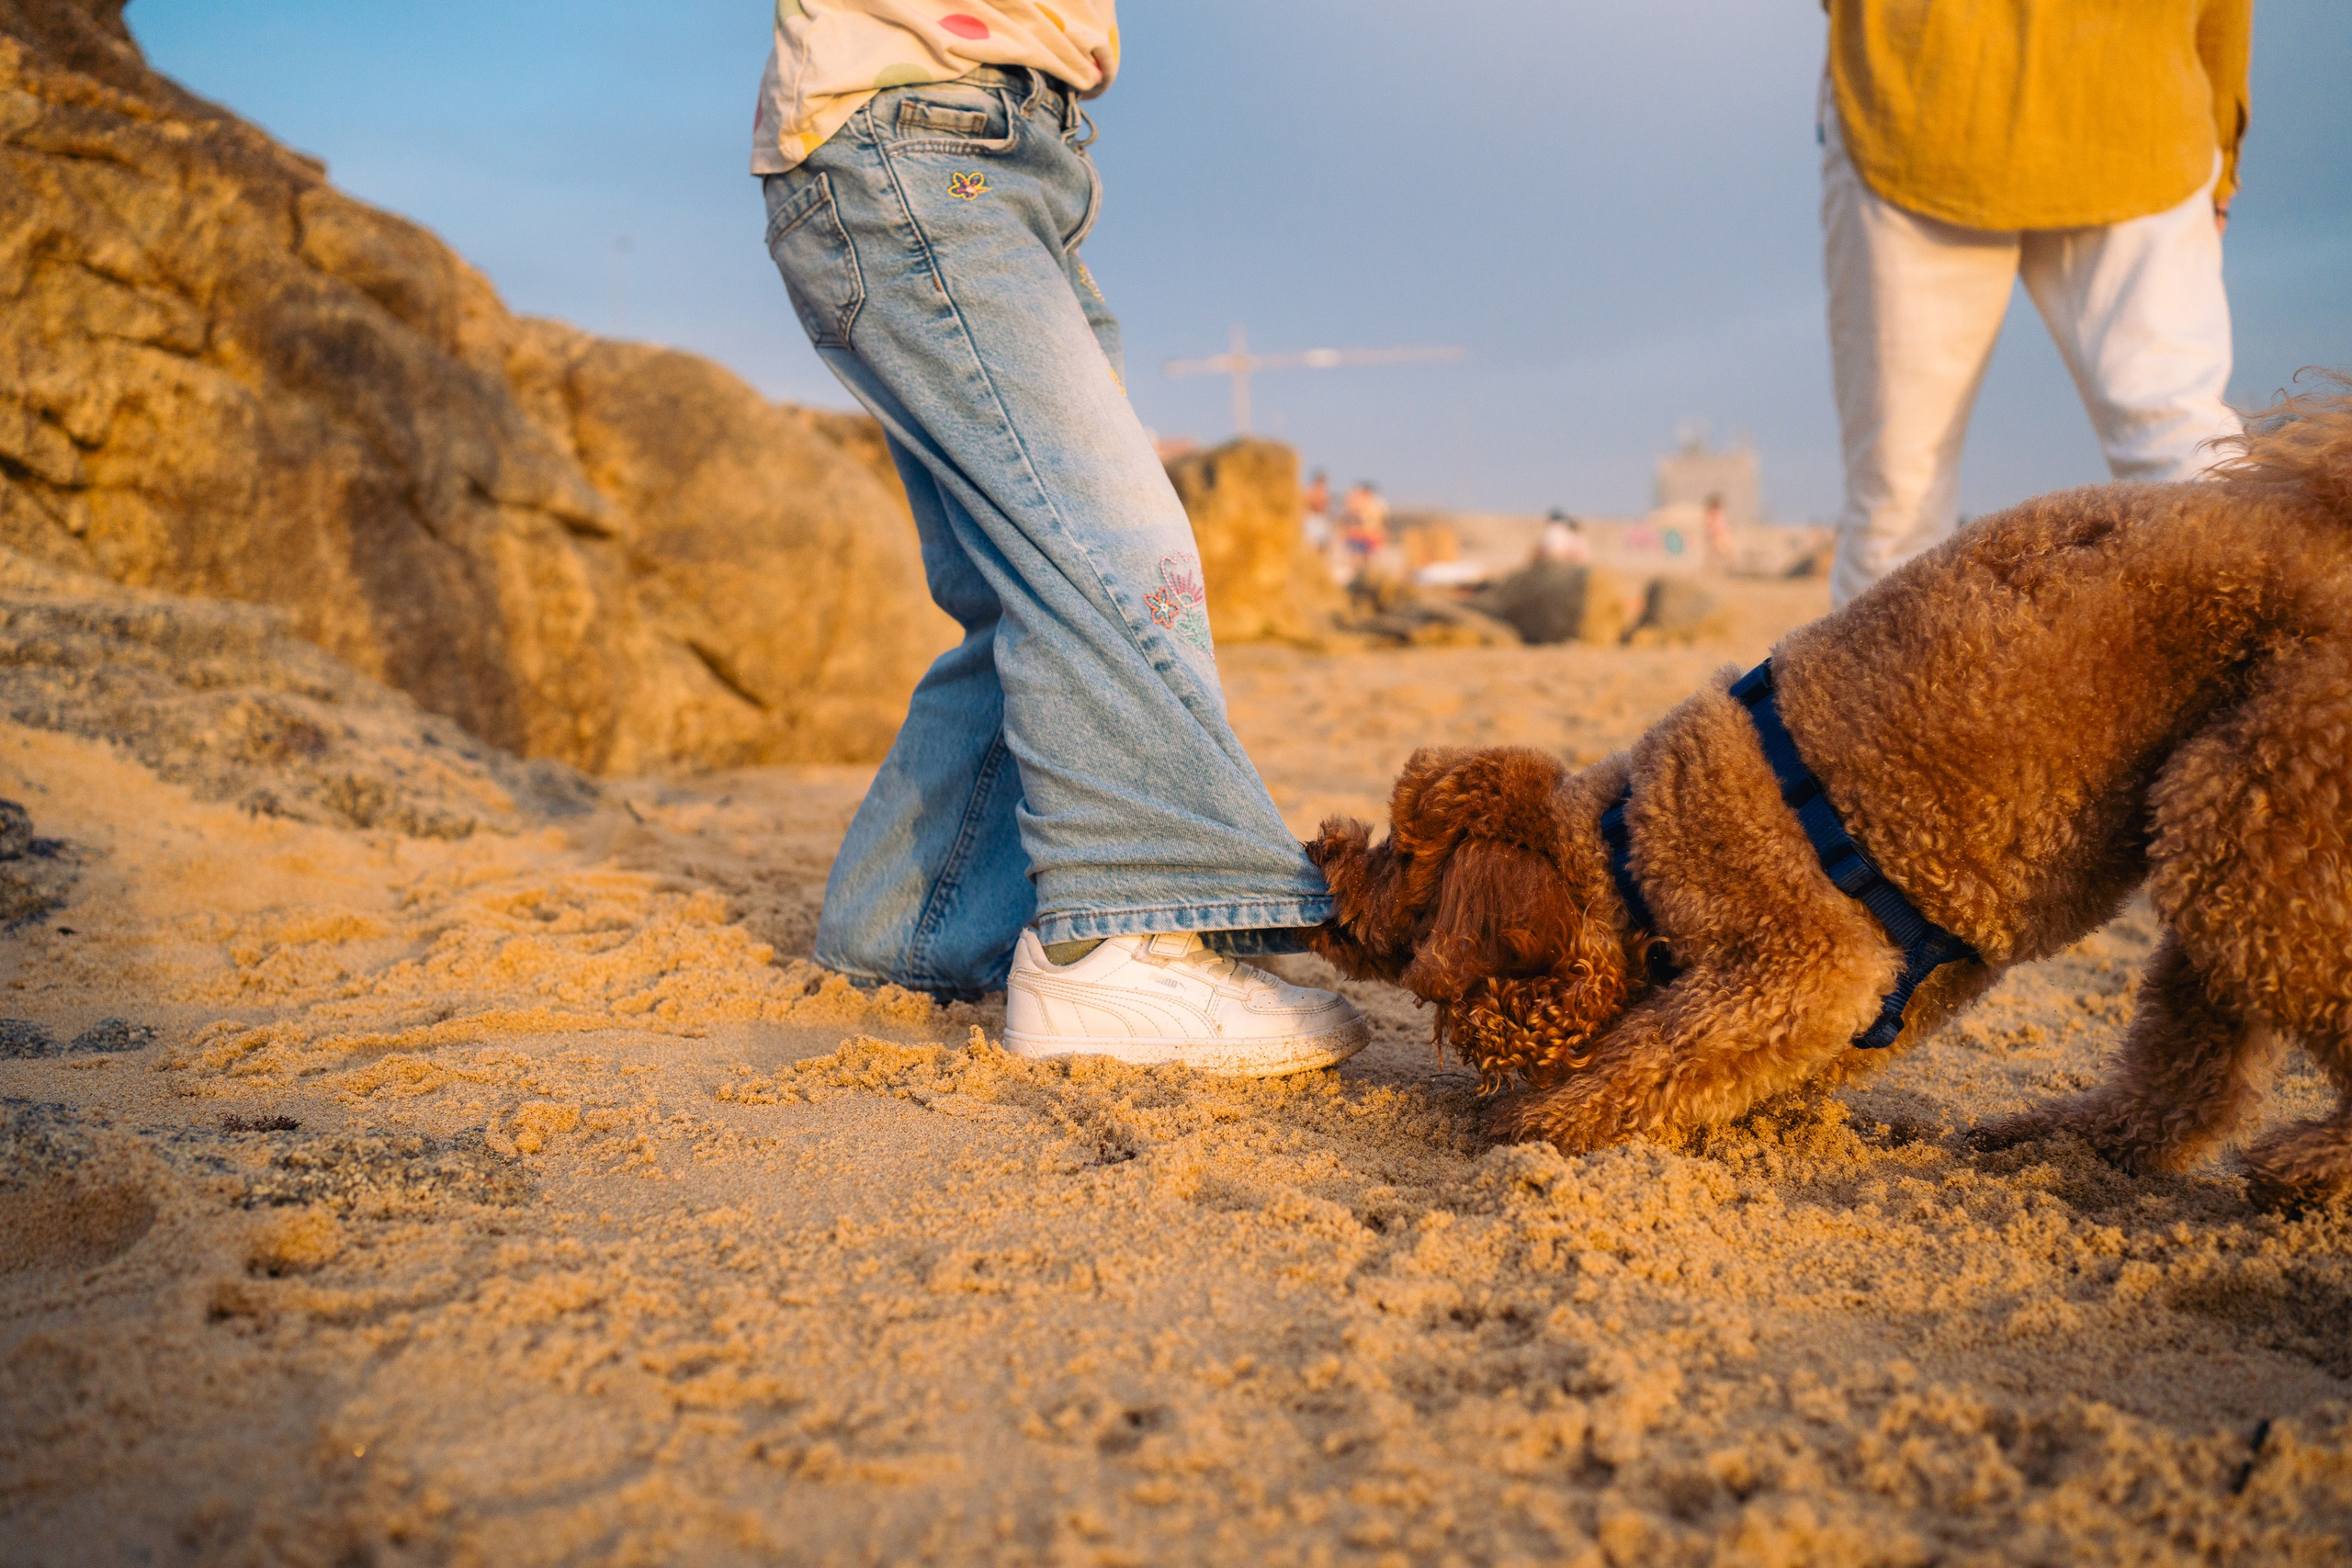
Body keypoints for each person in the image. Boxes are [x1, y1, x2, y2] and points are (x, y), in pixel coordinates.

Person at [753, 3, 1365, 1075]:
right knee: (1118, 556)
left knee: (1028, 570)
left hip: (998, 153)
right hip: (922, 140)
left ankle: (912, 935)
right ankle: (1114, 943)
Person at [1820, 0, 2249, 609]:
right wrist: (2223, 134)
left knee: (1897, 509)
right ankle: (2260, 690)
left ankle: (1864, 704)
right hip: (2138, 89)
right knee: (2185, 452)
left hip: (1923, 92)